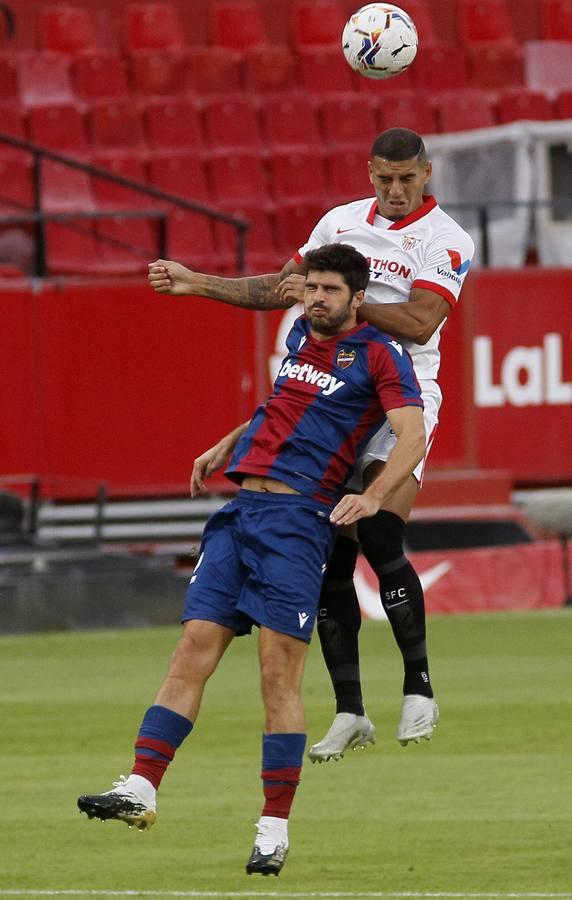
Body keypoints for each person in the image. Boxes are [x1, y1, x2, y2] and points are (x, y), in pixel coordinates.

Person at [78, 244, 426, 877]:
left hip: (298, 525)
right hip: (240, 513)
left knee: (276, 676)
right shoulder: (297, 335)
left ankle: (273, 828)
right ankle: (141, 786)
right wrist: (231, 439)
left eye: (327, 290)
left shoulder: (380, 354)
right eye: (308, 287)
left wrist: (373, 496)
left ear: (356, 296)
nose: (313, 298)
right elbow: (288, 407)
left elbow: (413, 434)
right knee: (192, 648)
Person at [147, 127, 475, 762]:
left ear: (427, 174)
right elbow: (283, 287)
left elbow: (420, 320)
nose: (395, 190)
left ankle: (419, 687)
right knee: (326, 548)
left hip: (401, 394)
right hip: (333, 394)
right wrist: (197, 282)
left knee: (378, 531)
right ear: (370, 172)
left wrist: (343, 307)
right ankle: (351, 709)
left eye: (407, 179)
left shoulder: (446, 240)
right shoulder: (340, 222)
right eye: (384, 178)